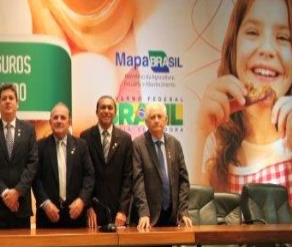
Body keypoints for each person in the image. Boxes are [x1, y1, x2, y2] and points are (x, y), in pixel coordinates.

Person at [198, 0, 292, 219]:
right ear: (233, 48)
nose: (267, 49)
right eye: (253, 32)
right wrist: (198, 132)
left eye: (283, 37)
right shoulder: (214, 149)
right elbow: (192, 223)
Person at [0, 84, 38, 229]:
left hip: (21, 205)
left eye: (11, 98)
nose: (7, 101)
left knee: (21, 245)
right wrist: (5, 193)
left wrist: (17, 192)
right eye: (4, 98)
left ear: (17, 103)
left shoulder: (29, 130)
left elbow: (32, 163)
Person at [33, 103, 94, 228]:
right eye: (55, 118)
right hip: (47, 216)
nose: (59, 121)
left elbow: (89, 176)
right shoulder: (40, 146)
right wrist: (45, 203)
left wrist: (82, 200)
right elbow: (35, 178)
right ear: (50, 122)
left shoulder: (81, 145)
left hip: (75, 216)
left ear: (69, 122)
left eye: (63, 117)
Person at [132, 102, 192, 230]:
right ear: (146, 122)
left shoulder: (175, 144)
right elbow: (138, 182)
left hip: (171, 217)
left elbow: (183, 180)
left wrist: (183, 211)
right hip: (147, 219)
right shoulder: (138, 144)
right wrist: (144, 213)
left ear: (166, 120)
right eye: (152, 117)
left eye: (159, 116)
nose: (156, 120)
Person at [80, 95, 133, 229]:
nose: (106, 111)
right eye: (103, 107)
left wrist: (123, 210)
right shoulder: (85, 137)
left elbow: (128, 177)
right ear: (97, 112)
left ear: (115, 112)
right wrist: (88, 206)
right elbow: (82, 175)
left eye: (110, 108)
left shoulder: (125, 139)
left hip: (117, 212)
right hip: (93, 212)